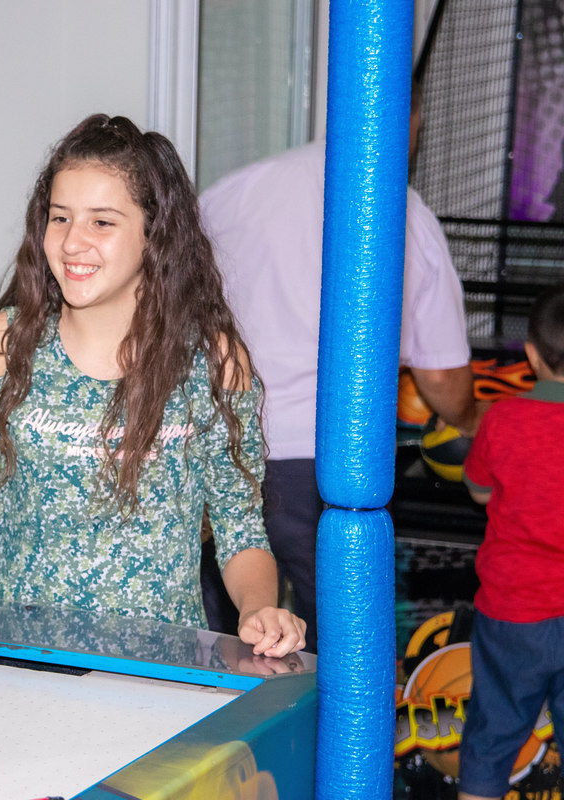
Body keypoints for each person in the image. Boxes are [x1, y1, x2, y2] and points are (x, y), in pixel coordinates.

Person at [0, 114, 306, 659]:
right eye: (60, 218)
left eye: (102, 222)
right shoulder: (7, 342)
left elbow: (239, 526)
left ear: (156, 234)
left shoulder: (214, 361)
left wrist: (257, 610)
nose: (73, 242)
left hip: (161, 670)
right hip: (25, 663)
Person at [196, 84, 484, 653]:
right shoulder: (403, 212)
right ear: (410, 120)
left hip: (220, 444)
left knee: (214, 636)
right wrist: (476, 421)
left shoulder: (235, 189)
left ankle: (210, 739)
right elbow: (442, 380)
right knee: (344, 644)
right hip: (327, 464)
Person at [456, 284, 564, 800]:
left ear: (530, 354)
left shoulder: (501, 418)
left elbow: (479, 490)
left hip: (514, 613)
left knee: (492, 738)